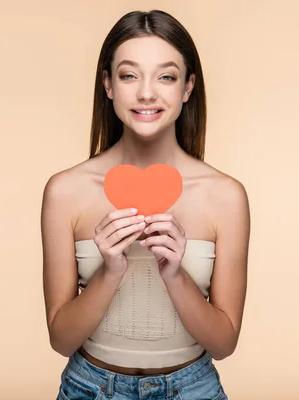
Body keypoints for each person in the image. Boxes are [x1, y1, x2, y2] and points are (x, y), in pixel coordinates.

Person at [41, 9, 250, 400]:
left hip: (193, 389)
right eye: (128, 75)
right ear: (108, 84)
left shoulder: (226, 196)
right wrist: (110, 270)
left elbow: (224, 344)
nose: (146, 93)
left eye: (166, 76)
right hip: (90, 388)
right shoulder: (64, 191)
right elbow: (60, 339)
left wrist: (175, 274)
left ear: (188, 87)